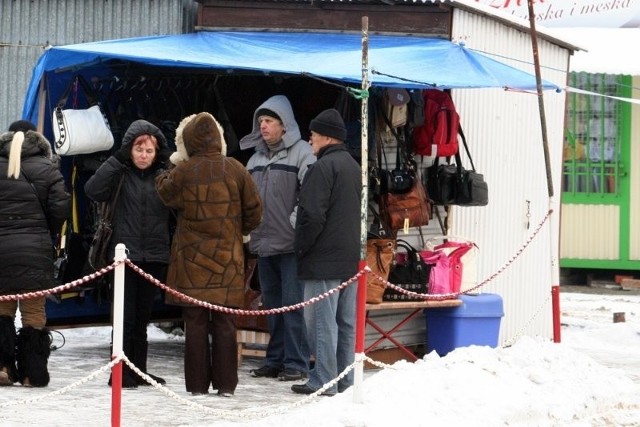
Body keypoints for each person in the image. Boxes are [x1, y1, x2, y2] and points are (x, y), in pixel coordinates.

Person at [156, 112, 262, 396]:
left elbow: (164, 192)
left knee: (195, 326)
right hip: (227, 262)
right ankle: (227, 385)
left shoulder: (184, 171)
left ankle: (197, 387)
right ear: (219, 138)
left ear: (187, 142)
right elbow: (255, 211)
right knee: (226, 323)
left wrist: (175, 162)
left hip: (191, 264)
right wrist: (239, 230)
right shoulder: (237, 169)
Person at [84, 119, 172, 389]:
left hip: (154, 255)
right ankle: (120, 372)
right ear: (129, 150)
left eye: (149, 150)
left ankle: (140, 370)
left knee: (142, 318)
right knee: (124, 318)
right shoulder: (119, 173)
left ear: (157, 152)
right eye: (138, 149)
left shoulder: (165, 175)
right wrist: (116, 159)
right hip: (124, 257)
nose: (144, 155)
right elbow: (92, 189)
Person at [239, 95, 316, 382]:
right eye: (260, 121)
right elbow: (245, 200)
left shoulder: (303, 153)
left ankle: (296, 362)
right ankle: (275, 360)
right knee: (272, 306)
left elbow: (311, 194)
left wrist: (294, 225)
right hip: (263, 245)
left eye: (269, 121)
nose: (263, 126)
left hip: (291, 246)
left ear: (285, 125)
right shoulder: (254, 158)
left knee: (293, 306)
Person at [291, 108, 361, 396]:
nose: (311, 140)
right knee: (345, 324)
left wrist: (301, 246)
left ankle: (323, 380)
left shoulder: (321, 168)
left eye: (314, 135)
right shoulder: (354, 166)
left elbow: (311, 215)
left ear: (326, 137)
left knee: (321, 323)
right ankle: (344, 380)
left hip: (322, 260)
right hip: (348, 259)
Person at [0, 120, 71, 387]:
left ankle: (3, 366)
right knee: (33, 311)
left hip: (1, 251)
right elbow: (61, 207)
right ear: (36, 138)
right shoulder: (47, 167)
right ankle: (33, 373)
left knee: (2, 308)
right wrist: (46, 231)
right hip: (36, 249)